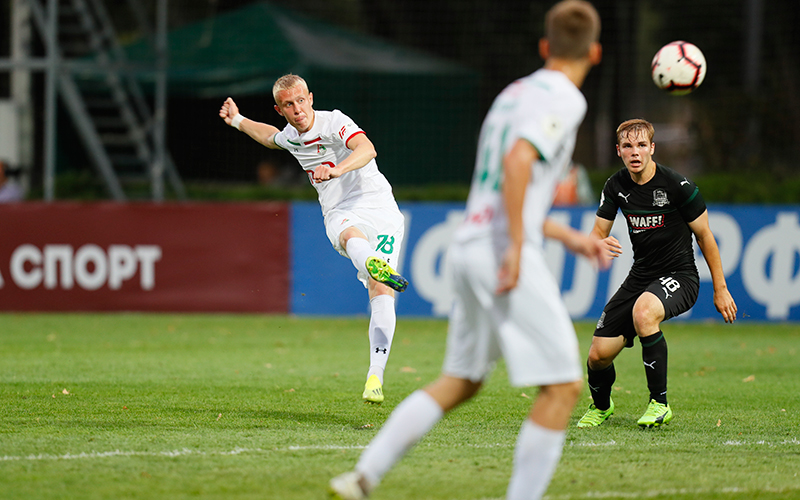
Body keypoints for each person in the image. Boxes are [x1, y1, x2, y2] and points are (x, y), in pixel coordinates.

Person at [329, 2, 606, 499]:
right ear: (595, 53)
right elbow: (518, 163)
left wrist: (568, 236)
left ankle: (362, 477)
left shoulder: (511, 94)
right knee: (564, 387)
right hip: (500, 249)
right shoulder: (566, 98)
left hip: (469, 243)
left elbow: (500, 184)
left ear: (545, 46)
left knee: (461, 380)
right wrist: (518, 247)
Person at [219, 74, 408, 404]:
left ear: (311, 98)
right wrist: (237, 120)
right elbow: (270, 138)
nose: (297, 109)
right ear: (279, 110)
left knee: (381, 291)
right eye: (288, 105)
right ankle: (371, 263)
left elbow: (367, 149)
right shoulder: (291, 137)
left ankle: (375, 375)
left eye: (301, 101)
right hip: (340, 210)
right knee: (350, 235)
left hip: (380, 206)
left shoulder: (334, 122)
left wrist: (338, 169)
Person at [576, 118, 738, 429]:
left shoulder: (678, 186)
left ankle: (659, 403)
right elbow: (597, 232)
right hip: (640, 277)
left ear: (652, 148)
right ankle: (601, 407)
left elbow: (705, 236)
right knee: (598, 355)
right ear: (619, 151)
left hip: (681, 275)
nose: (634, 152)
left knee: (644, 312)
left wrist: (720, 289)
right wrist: (597, 242)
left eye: (641, 145)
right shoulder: (615, 186)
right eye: (627, 146)